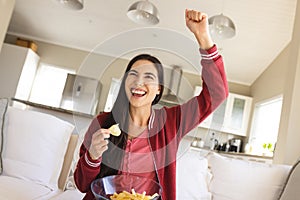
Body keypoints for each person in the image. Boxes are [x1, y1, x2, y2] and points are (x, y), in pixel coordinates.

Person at [74, 9, 228, 200]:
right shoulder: (103, 122)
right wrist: (92, 156)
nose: (139, 83)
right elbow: (81, 185)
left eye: (149, 77)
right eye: (133, 75)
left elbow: (217, 92)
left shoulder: (171, 122)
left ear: (158, 90)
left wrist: (203, 36)